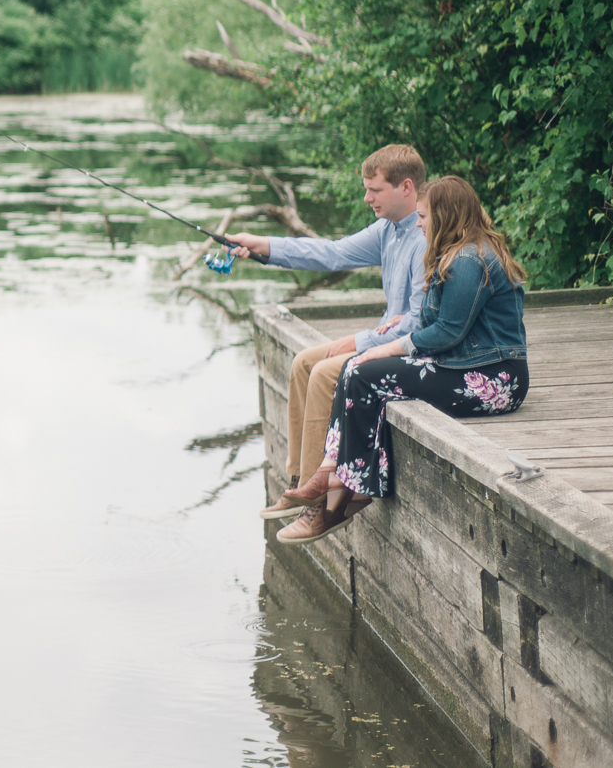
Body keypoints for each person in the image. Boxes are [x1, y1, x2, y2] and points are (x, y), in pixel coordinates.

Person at [277, 176, 529, 544]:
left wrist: (388, 347)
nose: (419, 223)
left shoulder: (470, 260)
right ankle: (335, 471)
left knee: (365, 372)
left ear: (445, 217)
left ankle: (345, 489)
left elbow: (446, 333)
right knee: (355, 368)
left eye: (424, 216)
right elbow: (431, 321)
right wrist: (402, 325)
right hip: (464, 365)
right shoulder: (452, 255)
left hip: (494, 380)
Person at [225, 145, 428, 521]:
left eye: (375, 190)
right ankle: (301, 480)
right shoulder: (388, 230)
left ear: (406, 187)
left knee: (323, 374)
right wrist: (263, 247)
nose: (367, 198)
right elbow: (332, 254)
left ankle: (324, 498)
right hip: (383, 337)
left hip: (404, 347)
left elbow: (419, 322)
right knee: (303, 362)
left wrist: (360, 341)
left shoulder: (426, 235)